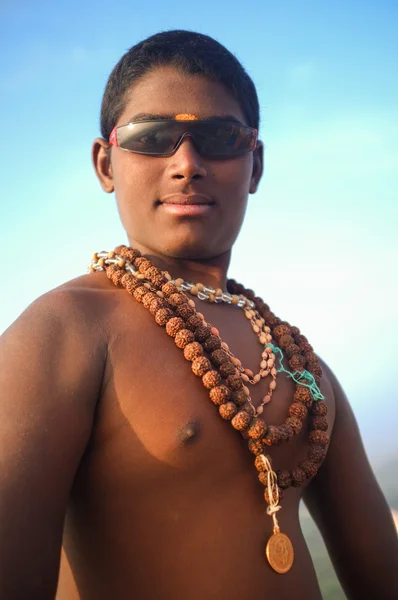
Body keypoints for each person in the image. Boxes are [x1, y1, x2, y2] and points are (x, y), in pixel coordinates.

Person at [1, 30, 397, 600]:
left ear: (254, 164)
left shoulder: (300, 364)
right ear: (105, 163)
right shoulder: (64, 333)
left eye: (219, 138)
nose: (186, 163)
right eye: (153, 137)